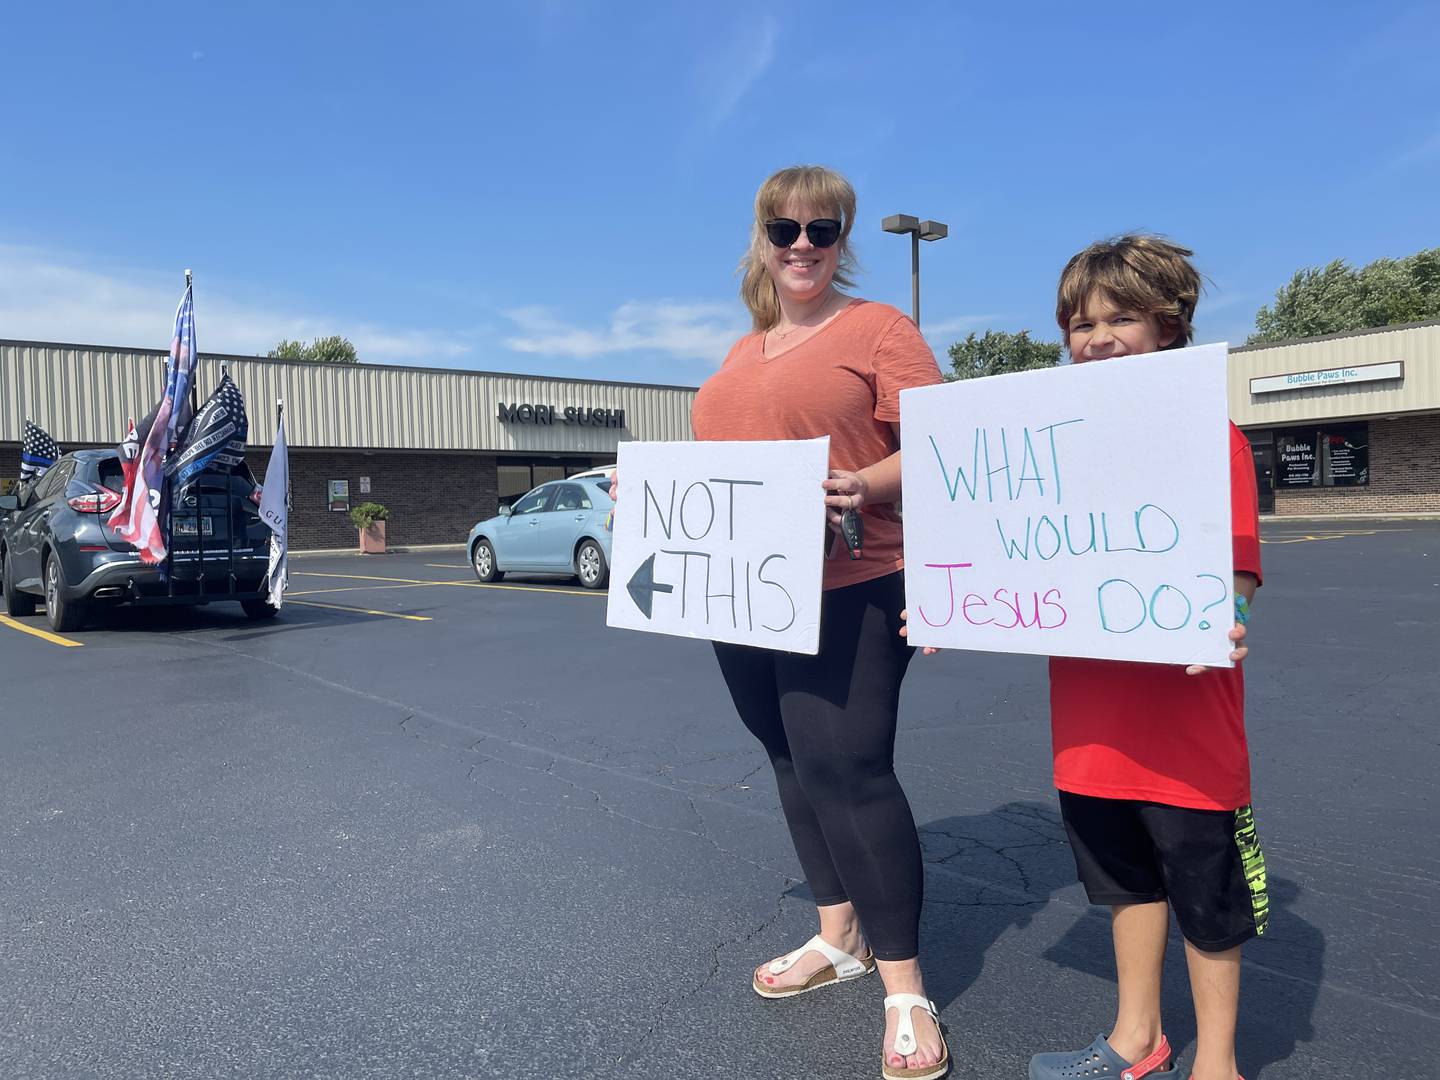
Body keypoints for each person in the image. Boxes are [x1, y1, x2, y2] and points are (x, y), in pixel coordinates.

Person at [690, 165, 949, 1080]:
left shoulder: (879, 329)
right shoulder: (737, 352)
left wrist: (863, 482)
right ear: (761, 237)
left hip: (853, 582)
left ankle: (906, 987)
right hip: (747, 591)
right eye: (784, 228)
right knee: (791, 759)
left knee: (853, 772)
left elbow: (941, 446)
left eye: (822, 229)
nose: (802, 245)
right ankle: (839, 935)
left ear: (842, 240)